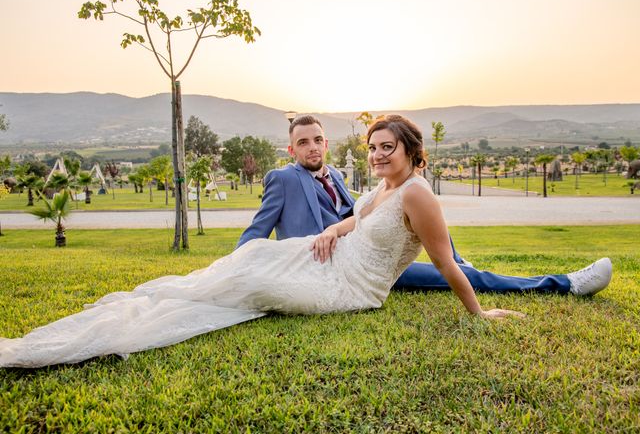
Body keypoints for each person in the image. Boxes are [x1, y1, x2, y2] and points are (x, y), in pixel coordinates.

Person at [2, 115, 529, 369]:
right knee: (253, 255)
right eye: (371, 148)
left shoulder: (418, 195)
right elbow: (356, 219)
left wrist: (477, 315)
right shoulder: (386, 185)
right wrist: (328, 230)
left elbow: (445, 263)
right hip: (329, 254)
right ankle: (163, 296)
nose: (375, 156)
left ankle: (149, 313)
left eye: (386, 148)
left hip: (352, 288)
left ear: (412, 150)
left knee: (251, 280)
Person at [238, 115, 612, 296]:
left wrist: (340, 226)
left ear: (326, 142)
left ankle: (463, 265)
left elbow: (361, 216)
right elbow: (257, 230)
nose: (312, 147)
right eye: (303, 143)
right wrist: (241, 266)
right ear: (292, 150)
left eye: (318, 139)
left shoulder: (335, 175)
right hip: (336, 269)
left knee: (449, 257)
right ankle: (565, 285)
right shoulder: (283, 179)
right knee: (456, 276)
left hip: (369, 250)